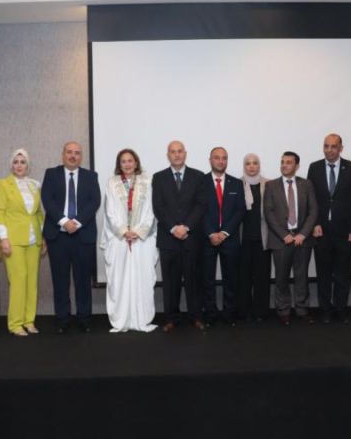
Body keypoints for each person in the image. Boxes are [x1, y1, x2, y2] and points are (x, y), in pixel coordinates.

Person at [42, 142, 101, 334]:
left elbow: (95, 201)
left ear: (81, 156)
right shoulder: (51, 174)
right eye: (69, 152)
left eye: (77, 153)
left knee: (83, 280)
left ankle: (84, 319)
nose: (73, 156)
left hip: (83, 236)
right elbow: (47, 200)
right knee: (60, 280)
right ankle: (62, 319)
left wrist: (76, 222)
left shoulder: (91, 176)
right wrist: (64, 221)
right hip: (58, 236)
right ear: (63, 154)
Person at [307, 134, 351, 324]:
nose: (329, 150)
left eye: (333, 146)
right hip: (321, 231)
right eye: (326, 146)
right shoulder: (314, 168)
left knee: (343, 274)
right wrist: (315, 223)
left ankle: (340, 309)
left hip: (346, 231)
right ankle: (325, 310)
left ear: (341, 148)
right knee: (323, 274)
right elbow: (310, 199)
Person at [100, 149, 158, 333]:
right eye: (123, 161)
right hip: (120, 240)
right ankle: (121, 319)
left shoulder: (147, 181)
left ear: (136, 162)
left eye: (130, 160)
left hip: (142, 240)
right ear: (119, 164)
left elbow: (152, 209)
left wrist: (139, 232)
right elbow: (109, 211)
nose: (127, 164)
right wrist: (124, 232)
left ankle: (142, 318)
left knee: (143, 279)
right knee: (120, 280)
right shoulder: (112, 182)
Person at [152, 141, 207, 333]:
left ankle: (196, 317)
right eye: (172, 152)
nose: (176, 154)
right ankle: (171, 319)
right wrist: (174, 228)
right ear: (167, 155)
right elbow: (158, 207)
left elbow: (201, 205)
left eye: (179, 151)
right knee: (170, 281)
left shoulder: (198, 176)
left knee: (194, 280)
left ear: (185, 154)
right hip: (168, 238)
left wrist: (186, 227)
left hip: (192, 238)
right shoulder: (159, 177)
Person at [0, 149, 46, 337]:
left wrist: (43, 237)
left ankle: (28, 321)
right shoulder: (3, 184)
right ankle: (15, 323)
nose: (19, 165)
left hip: (34, 240)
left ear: (28, 165)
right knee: (18, 280)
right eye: (16, 162)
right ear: (11, 165)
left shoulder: (35, 185)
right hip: (13, 239)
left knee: (32, 281)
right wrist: (3, 238)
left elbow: (38, 213)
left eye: (22, 162)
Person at [264, 151, 317, 325]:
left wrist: (302, 234)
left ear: (297, 166)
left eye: (288, 162)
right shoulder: (271, 185)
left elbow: (313, 211)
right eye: (282, 162)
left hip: (302, 239)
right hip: (281, 240)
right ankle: (283, 311)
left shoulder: (306, 184)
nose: (284, 165)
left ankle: (302, 310)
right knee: (281, 278)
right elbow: (269, 213)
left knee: (302, 277)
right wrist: (284, 235)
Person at [201, 147, 245, 327]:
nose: (220, 161)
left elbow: (240, 210)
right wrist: (211, 233)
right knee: (207, 279)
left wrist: (224, 233)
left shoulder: (236, 183)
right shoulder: (201, 182)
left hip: (230, 238)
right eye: (217, 158)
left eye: (224, 158)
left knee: (231, 279)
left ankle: (229, 314)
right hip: (207, 238)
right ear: (210, 160)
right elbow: (199, 210)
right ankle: (210, 314)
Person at [239, 153, 271, 321]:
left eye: (255, 163)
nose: (251, 166)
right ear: (244, 166)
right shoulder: (237, 184)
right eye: (248, 163)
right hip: (242, 239)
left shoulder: (269, 184)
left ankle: (260, 312)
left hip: (262, 239)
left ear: (259, 165)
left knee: (262, 278)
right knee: (243, 278)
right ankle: (244, 311)